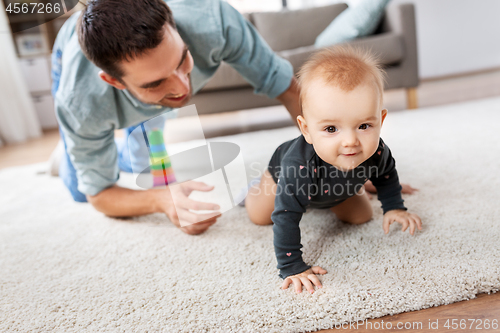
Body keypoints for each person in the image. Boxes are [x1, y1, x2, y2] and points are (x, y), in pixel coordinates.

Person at [51, 0, 301, 235]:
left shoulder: (213, 20)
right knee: (80, 191)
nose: (182, 89)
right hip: (69, 56)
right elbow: (100, 195)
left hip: (134, 94)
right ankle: (74, 148)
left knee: (141, 163)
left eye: (182, 60)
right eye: (155, 83)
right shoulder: (80, 103)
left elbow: (288, 88)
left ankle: (105, 148)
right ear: (114, 81)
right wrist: (161, 199)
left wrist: (323, 148)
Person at [244, 46, 423, 294]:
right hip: (281, 180)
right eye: (331, 129)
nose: (350, 141)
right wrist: (291, 265)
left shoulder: (377, 151)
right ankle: (254, 186)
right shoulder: (298, 166)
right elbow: (286, 216)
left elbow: (386, 173)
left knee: (362, 216)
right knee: (259, 216)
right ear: (306, 130)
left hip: (335, 188)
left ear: (380, 121)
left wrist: (394, 205)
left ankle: (359, 183)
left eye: (363, 125)